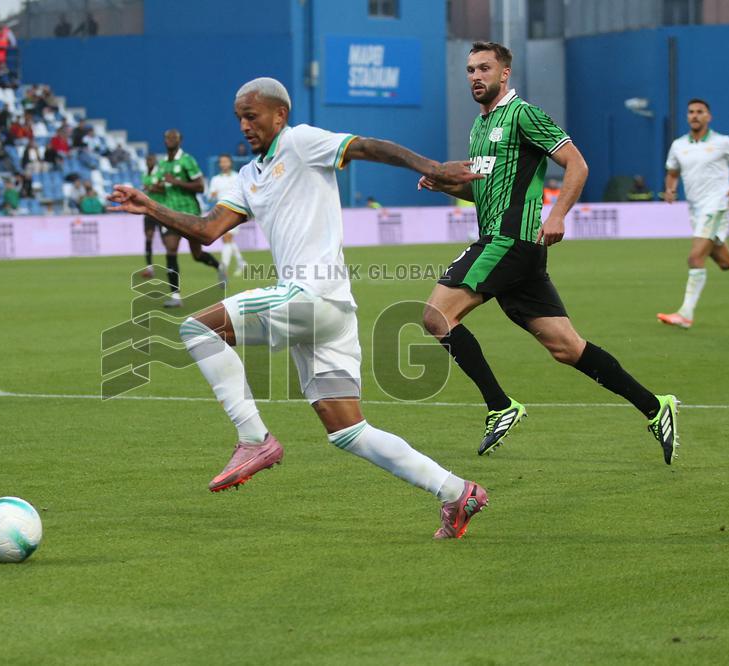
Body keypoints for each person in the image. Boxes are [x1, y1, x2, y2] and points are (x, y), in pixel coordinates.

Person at [110, 77, 489, 539]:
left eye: (252, 115)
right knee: (348, 431)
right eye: (239, 118)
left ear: (279, 115)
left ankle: (254, 439)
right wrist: (151, 207)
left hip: (312, 295)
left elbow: (370, 146)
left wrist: (433, 167)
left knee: (196, 328)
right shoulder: (250, 176)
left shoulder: (302, 141)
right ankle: (456, 491)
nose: (245, 125)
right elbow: (209, 230)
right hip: (328, 314)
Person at [418, 42, 680, 465]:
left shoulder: (524, 115)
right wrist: (445, 185)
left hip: (509, 242)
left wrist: (558, 215)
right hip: (513, 250)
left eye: (484, 68)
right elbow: (480, 189)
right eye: (469, 70)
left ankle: (499, 406)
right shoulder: (480, 127)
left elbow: (577, 164)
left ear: (505, 74)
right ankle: (655, 407)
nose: (475, 77)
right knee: (566, 348)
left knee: (435, 316)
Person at [657, 99, 729, 329]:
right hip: (696, 209)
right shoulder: (679, 145)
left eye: (700, 112)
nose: (695, 116)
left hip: (717, 205)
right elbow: (672, 172)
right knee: (725, 262)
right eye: (691, 112)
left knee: (695, 258)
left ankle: (685, 314)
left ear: (709, 117)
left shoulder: (723, 142)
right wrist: (670, 188)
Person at [151, 129, 223, 307]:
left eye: (173, 137)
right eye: (167, 137)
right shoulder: (161, 164)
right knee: (171, 250)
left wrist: (176, 182)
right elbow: (162, 187)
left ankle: (219, 267)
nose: (169, 140)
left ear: (180, 140)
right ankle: (175, 296)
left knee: (196, 255)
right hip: (169, 214)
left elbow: (200, 186)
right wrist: (155, 188)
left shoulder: (187, 160)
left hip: (189, 212)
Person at [207, 154, 247, 277]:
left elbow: (244, 192)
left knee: (227, 237)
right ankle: (242, 263)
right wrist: (212, 195)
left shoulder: (237, 176)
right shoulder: (215, 179)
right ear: (219, 164)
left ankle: (223, 268)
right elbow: (209, 197)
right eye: (222, 162)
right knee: (227, 239)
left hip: (235, 210)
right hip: (220, 211)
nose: (224, 164)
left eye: (226, 161)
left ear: (230, 163)